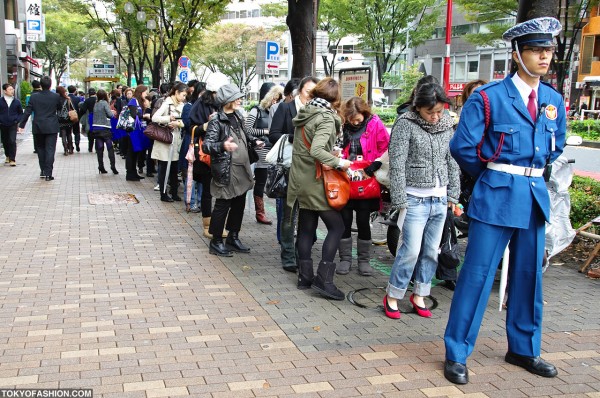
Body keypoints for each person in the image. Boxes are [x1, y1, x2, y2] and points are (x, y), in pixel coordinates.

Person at [443, 17, 566, 385]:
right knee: (476, 276)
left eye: (548, 49)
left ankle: (524, 349)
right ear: (517, 54)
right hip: (496, 196)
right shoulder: (489, 97)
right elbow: (462, 147)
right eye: (535, 49)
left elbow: (555, 145)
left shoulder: (552, 100)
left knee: (529, 278)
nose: (544, 56)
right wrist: (493, 176)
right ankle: (457, 352)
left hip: (532, 198)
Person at [383, 82, 460, 319]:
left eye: (439, 110)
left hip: (439, 197)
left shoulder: (447, 123)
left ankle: (420, 295)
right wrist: (399, 199)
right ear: (418, 107)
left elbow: (452, 160)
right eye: (430, 112)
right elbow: (396, 163)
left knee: (431, 251)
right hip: (414, 197)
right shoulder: (405, 124)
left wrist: (453, 195)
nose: (436, 116)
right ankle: (393, 295)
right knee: (410, 251)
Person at [288, 77, 352, 300]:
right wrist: (339, 162)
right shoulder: (325, 117)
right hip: (316, 181)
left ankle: (305, 277)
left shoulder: (306, 112)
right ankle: (324, 280)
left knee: (307, 228)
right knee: (337, 227)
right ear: (334, 98)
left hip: (301, 180)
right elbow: (316, 150)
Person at [203, 84, 264, 257]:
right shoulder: (217, 120)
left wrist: (254, 141)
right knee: (223, 204)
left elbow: (245, 133)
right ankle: (216, 241)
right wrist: (223, 145)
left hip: (242, 167)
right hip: (226, 169)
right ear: (226, 100)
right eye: (236, 97)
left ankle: (233, 236)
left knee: (239, 202)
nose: (239, 100)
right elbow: (207, 146)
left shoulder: (238, 115)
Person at [269, 76, 319, 272]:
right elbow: (273, 135)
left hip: (311, 168)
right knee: (289, 214)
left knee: (309, 213)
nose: (311, 97)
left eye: (315, 93)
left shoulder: (318, 110)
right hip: (290, 166)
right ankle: (288, 254)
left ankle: (303, 251)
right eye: (308, 92)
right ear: (299, 91)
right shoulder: (286, 108)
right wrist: (296, 138)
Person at [336, 97, 390, 276]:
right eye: (351, 119)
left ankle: (363, 260)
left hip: (367, 179)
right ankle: (345, 259)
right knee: (343, 220)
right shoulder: (341, 124)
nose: (354, 122)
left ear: (364, 113)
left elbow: (387, 147)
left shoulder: (374, 123)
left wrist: (374, 164)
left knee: (363, 220)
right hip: (344, 177)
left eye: (357, 119)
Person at [190, 72, 229, 238]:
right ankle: (207, 225)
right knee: (207, 190)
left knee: (222, 190)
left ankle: (219, 225)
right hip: (206, 153)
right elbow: (191, 128)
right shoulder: (200, 105)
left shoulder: (224, 104)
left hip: (224, 151)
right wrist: (207, 125)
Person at [245, 83, 284, 225]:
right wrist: (265, 132)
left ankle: (261, 212)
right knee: (261, 180)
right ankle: (260, 213)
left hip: (273, 149)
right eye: (277, 98)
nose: (278, 102)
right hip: (261, 149)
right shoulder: (257, 110)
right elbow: (247, 129)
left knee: (268, 180)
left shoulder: (279, 112)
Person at [18, 76, 62, 181]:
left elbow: (28, 111)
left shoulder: (34, 97)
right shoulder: (56, 96)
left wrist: (21, 125)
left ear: (41, 85)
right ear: (50, 85)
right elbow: (59, 109)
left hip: (38, 126)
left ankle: (42, 170)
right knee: (50, 150)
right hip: (52, 126)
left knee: (41, 149)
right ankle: (48, 173)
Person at [152, 82, 187, 202]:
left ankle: (174, 193)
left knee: (174, 168)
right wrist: (168, 119)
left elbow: (185, 122)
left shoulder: (182, 105)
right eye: (182, 95)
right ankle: (163, 193)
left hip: (176, 140)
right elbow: (155, 118)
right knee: (164, 168)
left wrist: (178, 123)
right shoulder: (166, 103)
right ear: (176, 92)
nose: (184, 97)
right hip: (164, 140)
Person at [125, 86, 150, 181]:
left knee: (135, 151)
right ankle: (129, 173)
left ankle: (134, 172)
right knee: (131, 152)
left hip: (138, 130)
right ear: (140, 92)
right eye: (145, 93)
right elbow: (133, 115)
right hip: (133, 131)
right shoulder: (133, 101)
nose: (146, 95)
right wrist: (144, 115)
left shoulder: (138, 102)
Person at [92, 89, 118, 175]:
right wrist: (113, 112)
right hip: (105, 128)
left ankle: (101, 166)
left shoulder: (96, 104)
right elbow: (110, 115)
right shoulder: (105, 103)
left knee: (100, 148)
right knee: (110, 148)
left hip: (96, 128)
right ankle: (113, 167)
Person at [0, 83, 23, 167]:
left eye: (12, 89)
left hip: (13, 124)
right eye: (10, 89)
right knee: (5, 141)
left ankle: (12, 159)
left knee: (12, 141)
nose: (12, 91)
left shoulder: (16, 101)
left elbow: (20, 112)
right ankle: (7, 155)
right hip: (3, 124)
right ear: (5, 91)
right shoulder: (0, 101)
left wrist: (17, 120)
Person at [56, 86, 75, 156]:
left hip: (60, 120)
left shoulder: (56, 99)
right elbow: (72, 108)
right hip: (68, 119)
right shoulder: (68, 99)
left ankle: (65, 150)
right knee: (69, 134)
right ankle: (70, 149)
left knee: (63, 135)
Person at [80, 88, 97, 152]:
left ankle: (90, 148)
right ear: (95, 93)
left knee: (90, 132)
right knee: (97, 132)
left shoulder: (87, 100)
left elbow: (83, 110)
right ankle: (97, 148)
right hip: (97, 117)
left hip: (90, 116)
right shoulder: (97, 100)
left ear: (89, 94)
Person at [67, 85, 82, 152]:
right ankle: (77, 143)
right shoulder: (77, 98)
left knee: (69, 132)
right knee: (77, 131)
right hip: (76, 117)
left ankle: (70, 146)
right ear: (75, 91)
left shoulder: (66, 98)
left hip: (68, 117)